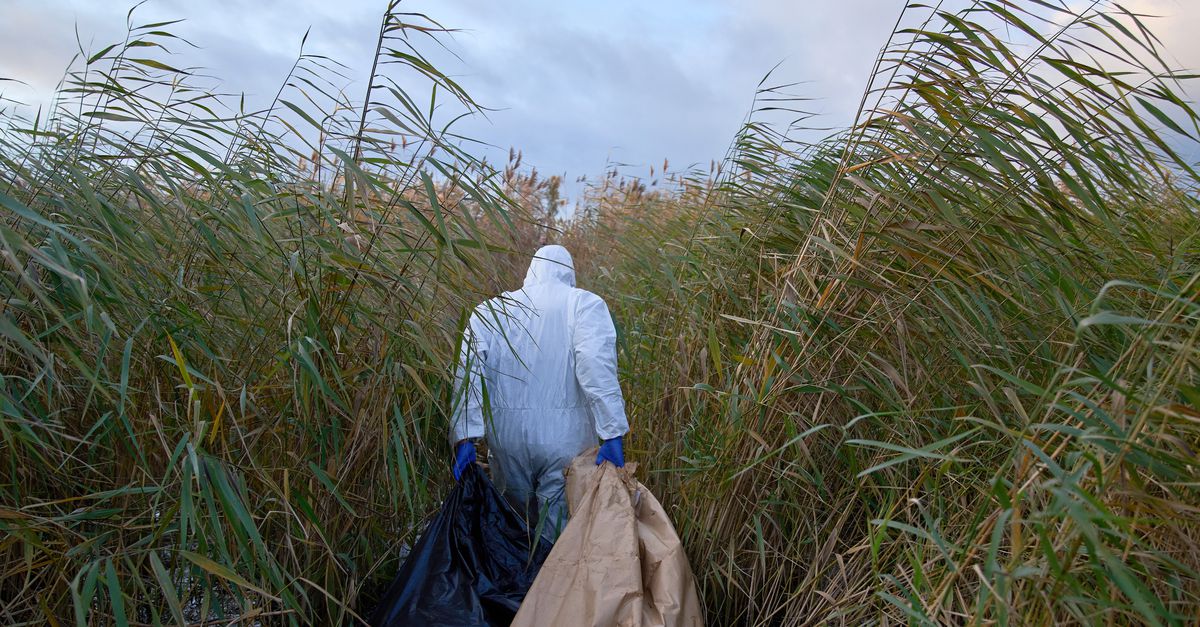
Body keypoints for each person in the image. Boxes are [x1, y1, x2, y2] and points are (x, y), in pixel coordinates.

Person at [449, 245, 628, 541]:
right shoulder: (583, 304)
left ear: (531, 272)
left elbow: (468, 374)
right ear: (569, 273)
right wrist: (612, 432)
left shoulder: (491, 311)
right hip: (565, 440)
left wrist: (465, 437)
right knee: (557, 533)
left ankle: (516, 569)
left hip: (506, 440)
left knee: (512, 526)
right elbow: (596, 367)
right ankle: (549, 571)